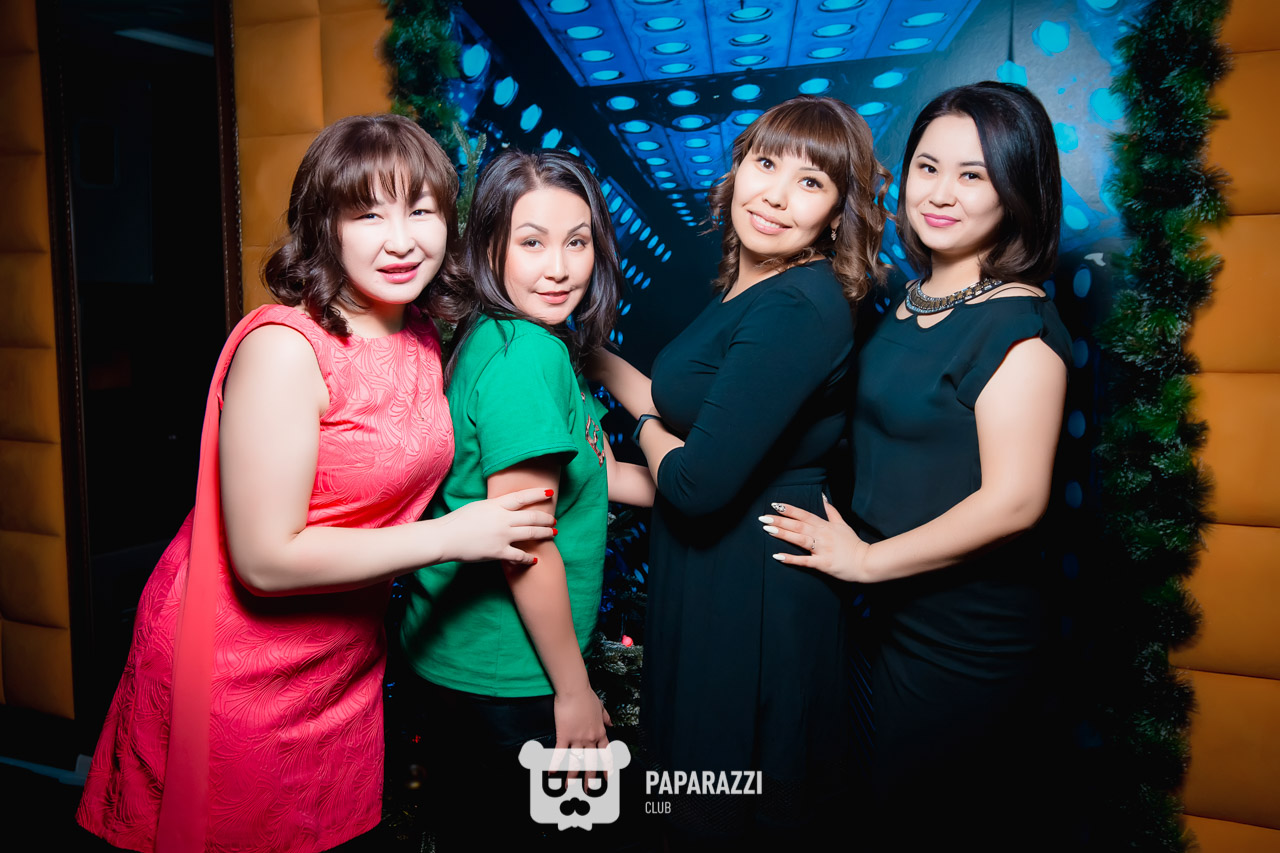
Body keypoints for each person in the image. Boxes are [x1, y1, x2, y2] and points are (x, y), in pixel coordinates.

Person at [76, 114, 558, 853]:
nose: (402, 240)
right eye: (368, 214)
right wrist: (452, 536)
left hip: (342, 666)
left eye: (421, 210)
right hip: (236, 669)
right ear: (324, 225)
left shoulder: (418, 331)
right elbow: (265, 560)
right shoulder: (285, 347)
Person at [761, 81, 1072, 849]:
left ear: (1018, 189)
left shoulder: (1019, 329)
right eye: (928, 167)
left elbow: (1016, 501)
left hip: (964, 642)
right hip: (879, 625)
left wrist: (866, 562)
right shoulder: (907, 299)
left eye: (973, 175)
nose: (940, 193)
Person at [591, 95, 891, 846]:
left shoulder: (798, 305)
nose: (776, 196)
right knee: (696, 795)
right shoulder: (751, 287)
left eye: (811, 182)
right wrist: (589, 357)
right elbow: (685, 403)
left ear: (838, 213)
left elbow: (695, 484)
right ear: (737, 170)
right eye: (766, 164)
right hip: (717, 573)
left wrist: (646, 431)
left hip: (750, 589)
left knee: (722, 806)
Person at [397, 149, 655, 849]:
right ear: (489, 247)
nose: (560, 267)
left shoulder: (509, 338)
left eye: (578, 242)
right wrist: (573, 690)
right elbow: (525, 541)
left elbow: (602, 476)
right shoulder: (527, 358)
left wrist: (712, 482)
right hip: (510, 676)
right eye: (532, 242)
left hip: (471, 664)